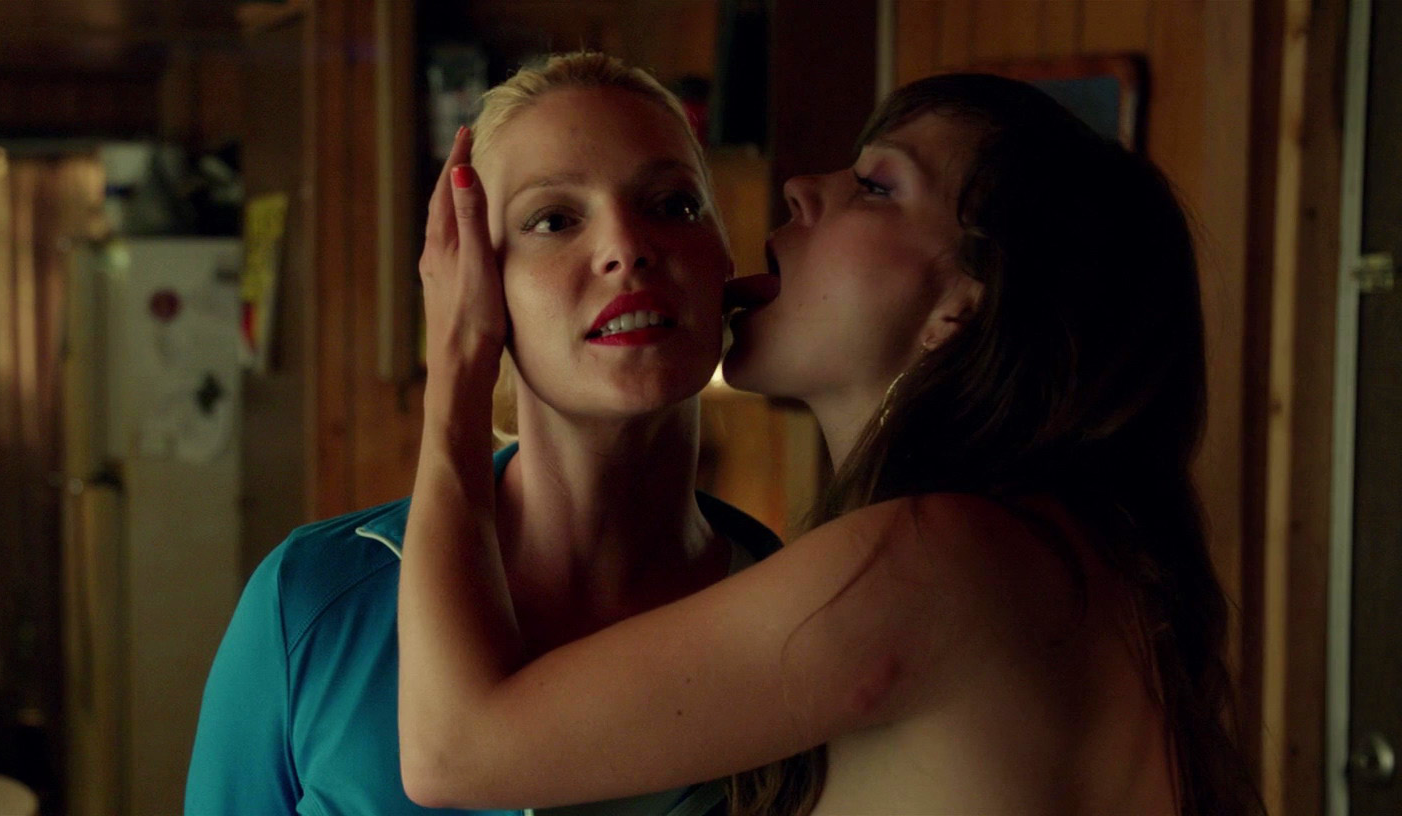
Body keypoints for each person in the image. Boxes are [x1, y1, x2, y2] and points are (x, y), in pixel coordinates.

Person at [400, 71, 1261, 815]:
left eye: (877, 186)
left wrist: (458, 369)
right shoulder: (1036, 556)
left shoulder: (934, 561)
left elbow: (453, 753)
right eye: (554, 219)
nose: (803, 187)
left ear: (961, 306)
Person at [186, 52, 786, 815]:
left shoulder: (794, 608)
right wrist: (456, 372)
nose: (626, 246)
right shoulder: (311, 601)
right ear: (474, 282)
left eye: (672, 204)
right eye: (553, 219)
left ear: (723, 257)